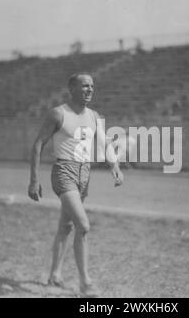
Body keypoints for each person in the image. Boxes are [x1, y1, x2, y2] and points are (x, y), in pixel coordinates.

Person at [28, 73, 123, 297]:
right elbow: (38, 145)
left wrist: (115, 166)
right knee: (83, 225)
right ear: (72, 89)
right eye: (84, 86)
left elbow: (105, 142)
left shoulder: (94, 116)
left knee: (67, 226)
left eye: (92, 86)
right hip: (64, 172)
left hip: (84, 174)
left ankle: (55, 274)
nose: (89, 90)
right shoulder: (58, 113)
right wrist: (34, 180)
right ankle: (86, 283)